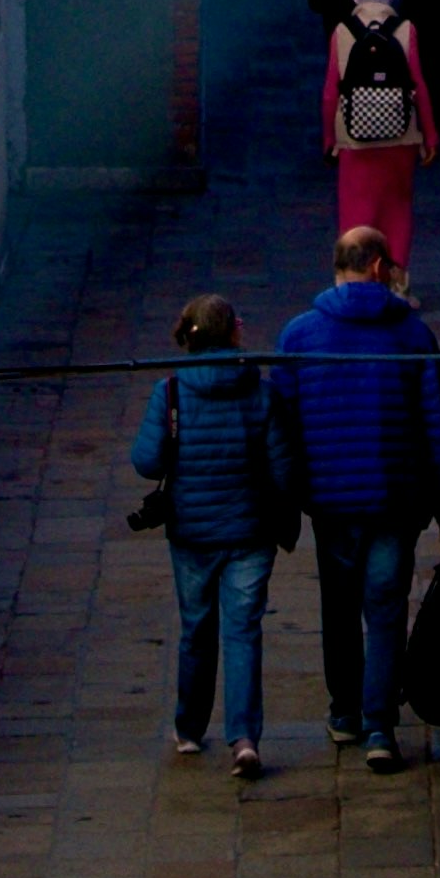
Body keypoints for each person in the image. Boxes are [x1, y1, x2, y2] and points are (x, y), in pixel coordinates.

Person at [265, 227, 440, 769]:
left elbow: (280, 426)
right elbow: (436, 423)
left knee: (338, 607)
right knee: (386, 609)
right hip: (396, 499)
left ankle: (344, 711)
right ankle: (380, 727)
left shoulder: (299, 335)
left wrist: (287, 497)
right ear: (377, 266)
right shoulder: (412, 335)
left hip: (330, 502)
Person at [131, 293, 298, 781]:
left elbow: (146, 462)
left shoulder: (170, 392)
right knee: (243, 632)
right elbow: (284, 473)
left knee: (196, 629)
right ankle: (244, 739)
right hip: (251, 532)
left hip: (192, 534)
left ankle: (189, 726)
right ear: (233, 332)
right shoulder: (262, 394)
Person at [324, 0, 436, 270]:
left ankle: (355, 279)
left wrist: (329, 138)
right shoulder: (406, 30)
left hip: (355, 140)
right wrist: (430, 135)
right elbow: (419, 85)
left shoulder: (343, 32)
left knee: (356, 215)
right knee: (397, 211)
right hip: (400, 137)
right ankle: (395, 280)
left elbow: (330, 92)